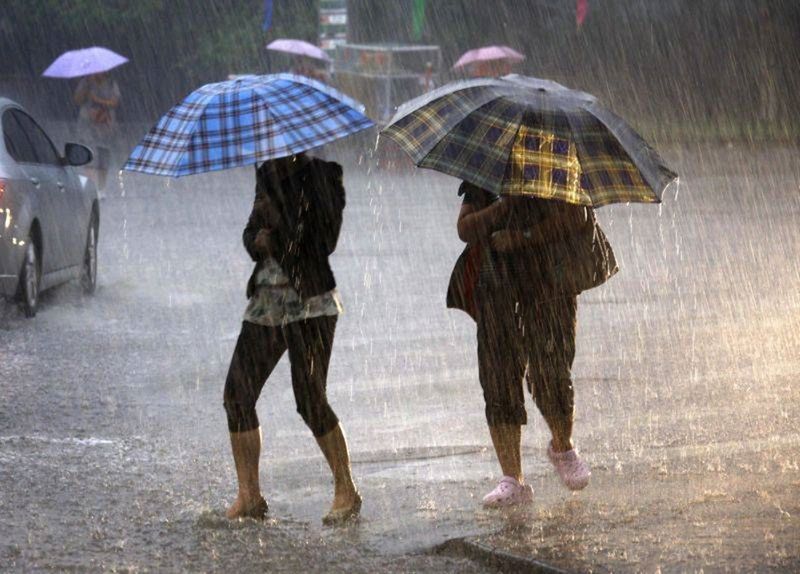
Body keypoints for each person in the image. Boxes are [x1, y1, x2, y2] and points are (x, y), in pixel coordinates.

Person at [448, 181, 610, 507]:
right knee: (498, 377)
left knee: (551, 371)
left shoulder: (559, 168)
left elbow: (577, 217)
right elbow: (465, 228)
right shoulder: (490, 169)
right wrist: (503, 207)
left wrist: (523, 237)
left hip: (552, 281)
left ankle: (562, 446)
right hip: (497, 283)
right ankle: (512, 479)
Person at [223, 152, 360, 523]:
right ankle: (249, 495)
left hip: (310, 302)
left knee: (310, 399)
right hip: (266, 300)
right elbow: (251, 233)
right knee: (237, 395)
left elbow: (324, 241)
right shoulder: (265, 173)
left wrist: (277, 223)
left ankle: (345, 489)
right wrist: (258, 240)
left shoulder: (324, 174)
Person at [73, 72, 121, 192]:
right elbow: (77, 100)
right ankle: (89, 188)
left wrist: (97, 100)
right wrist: (87, 86)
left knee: (103, 158)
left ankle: (101, 189)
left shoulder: (111, 83)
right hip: (87, 126)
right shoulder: (85, 82)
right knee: (88, 156)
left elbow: (115, 102)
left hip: (105, 126)